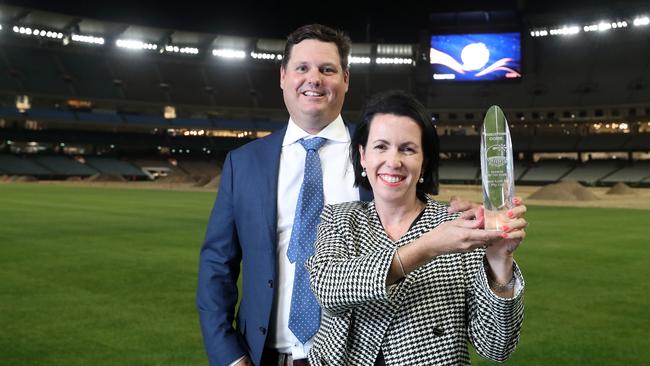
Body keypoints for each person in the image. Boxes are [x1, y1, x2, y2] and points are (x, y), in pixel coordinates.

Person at [306, 90, 527, 365]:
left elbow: (497, 348)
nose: (393, 161)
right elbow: (329, 288)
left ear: (423, 163)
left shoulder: (460, 226)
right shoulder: (339, 219)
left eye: (407, 149)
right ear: (362, 155)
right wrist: (428, 246)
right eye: (380, 146)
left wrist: (499, 261)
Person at [196, 24, 372, 366]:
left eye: (327, 69)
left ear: (346, 79)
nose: (314, 79)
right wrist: (228, 356)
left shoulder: (376, 157)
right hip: (265, 358)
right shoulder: (243, 163)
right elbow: (217, 266)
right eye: (302, 68)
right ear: (283, 76)